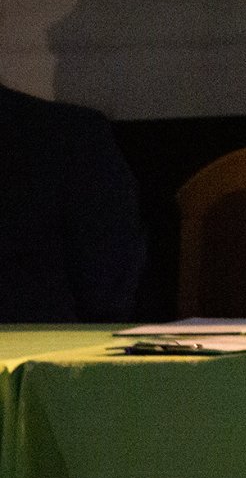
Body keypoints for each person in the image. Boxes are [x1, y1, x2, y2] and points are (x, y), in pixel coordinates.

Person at [0, 82, 144, 321]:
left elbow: (107, 285)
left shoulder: (70, 136)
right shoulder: (70, 135)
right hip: (51, 335)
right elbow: (109, 286)